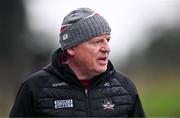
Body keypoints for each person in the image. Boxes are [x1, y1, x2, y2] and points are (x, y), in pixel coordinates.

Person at [10, 8, 145, 117]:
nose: (106, 49)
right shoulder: (34, 88)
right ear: (70, 48)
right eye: (96, 42)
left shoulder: (125, 87)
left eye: (107, 40)